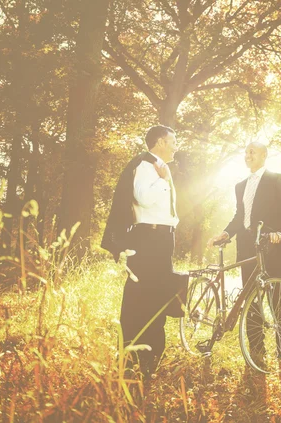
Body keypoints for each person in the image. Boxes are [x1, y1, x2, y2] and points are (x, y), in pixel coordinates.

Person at [101, 125, 179, 378]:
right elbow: (144, 198)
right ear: (160, 143)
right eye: (172, 141)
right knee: (143, 295)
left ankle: (149, 353)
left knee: (156, 294)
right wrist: (163, 180)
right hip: (149, 238)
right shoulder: (147, 167)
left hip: (160, 238)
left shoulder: (158, 168)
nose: (176, 146)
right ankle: (139, 354)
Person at [209, 142, 281, 359]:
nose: (248, 155)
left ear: (264, 155)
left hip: (271, 243)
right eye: (246, 152)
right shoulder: (240, 185)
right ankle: (256, 349)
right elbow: (240, 217)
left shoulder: (277, 179)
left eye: (253, 152)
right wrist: (226, 233)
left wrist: (279, 232)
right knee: (249, 296)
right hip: (246, 245)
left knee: (276, 294)